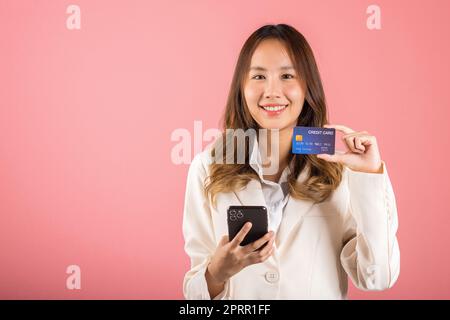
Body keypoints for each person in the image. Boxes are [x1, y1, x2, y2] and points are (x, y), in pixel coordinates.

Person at [182, 24, 400, 299]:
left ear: (308, 86)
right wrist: (217, 272)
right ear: (241, 87)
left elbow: (378, 277)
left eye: (287, 75)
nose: (272, 92)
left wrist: (368, 176)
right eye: (259, 76)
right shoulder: (207, 168)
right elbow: (194, 298)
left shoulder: (342, 172)